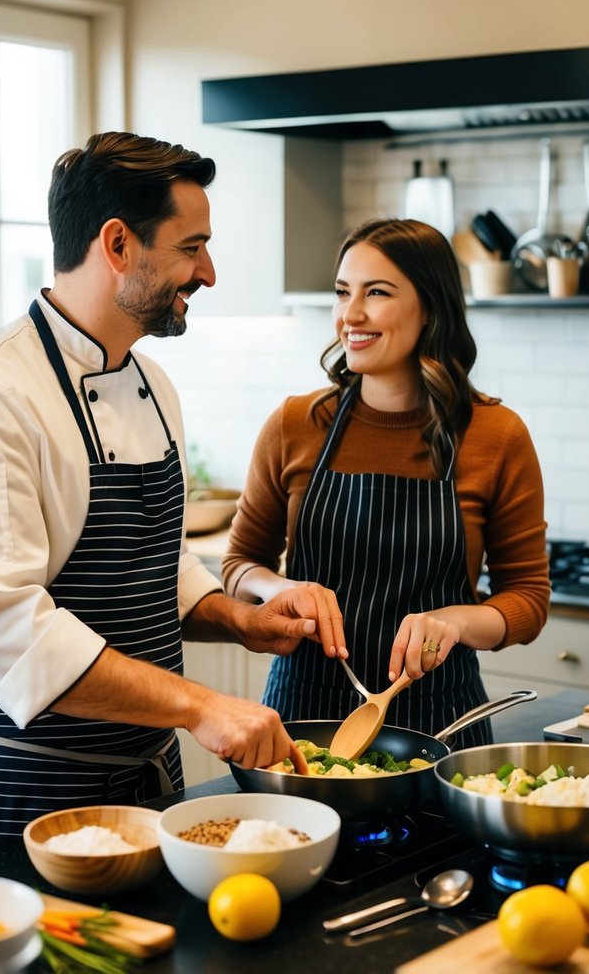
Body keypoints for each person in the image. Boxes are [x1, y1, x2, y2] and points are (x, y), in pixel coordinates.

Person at [0, 130, 346, 860]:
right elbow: (1, 632)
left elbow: (149, 562)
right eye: (190, 246)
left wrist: (239, 619)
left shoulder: (150, 383)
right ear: (117, 245)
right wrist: (198, 705)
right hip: (25, 792)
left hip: (147, 788)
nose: (207, 271)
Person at [222, 218, 550, 747]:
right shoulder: (295, 423)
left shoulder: (496, 435)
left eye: (376, 293)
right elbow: (238, 567)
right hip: (300, 722)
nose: (351, 314)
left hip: (441, 726)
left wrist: (457, 622)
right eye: (342, 292)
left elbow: (528, 601)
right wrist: (282, 589)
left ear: (430, 307)